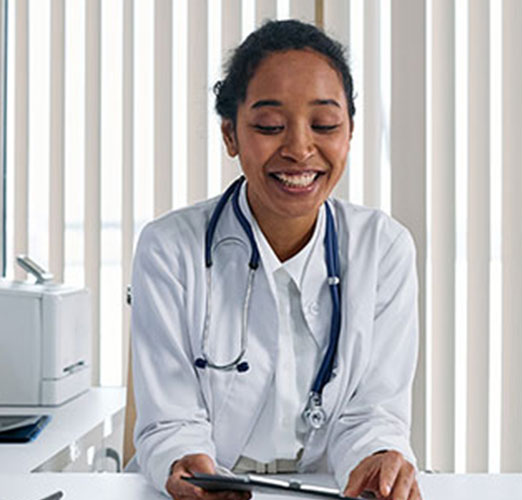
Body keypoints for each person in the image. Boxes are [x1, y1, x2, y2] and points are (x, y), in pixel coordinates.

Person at [129, 20, 422, 500]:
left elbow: (373, 414)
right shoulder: (170, 249)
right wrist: (187, 464)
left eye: (325, 125)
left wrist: (378, 459)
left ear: (349, 133)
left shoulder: (383, 248)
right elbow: (171, 421)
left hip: (327, 489)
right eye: (269, 127)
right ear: (230, 134)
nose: (299, 148)